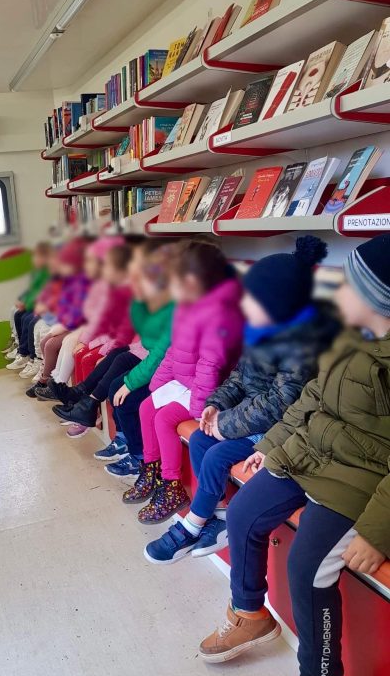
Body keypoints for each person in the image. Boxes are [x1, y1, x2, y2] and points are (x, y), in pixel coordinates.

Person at [198, 235, 390, 676]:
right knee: (242, 512)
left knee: (308, 565)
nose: (336, 289)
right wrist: (272, 448)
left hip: (360, 482)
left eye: (349, 282)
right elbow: (307, 400)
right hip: (307, 454)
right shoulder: (343, 336)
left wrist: (376, 532)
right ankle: (249, 613)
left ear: (378, 299)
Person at [144, 236, 338, 562]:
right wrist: (216, 404)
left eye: (252, 300)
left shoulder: (300, 347)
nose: (243, 305)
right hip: (245, 418)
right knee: (203, 441)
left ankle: (192, 524)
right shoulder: (259, 332)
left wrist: (227, 423)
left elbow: (281, 403)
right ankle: (216, 511)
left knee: (218, 454)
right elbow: (237, 377)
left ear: (278, 306)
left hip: (274, 431)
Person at [122, 239, 244, 524]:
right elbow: (173, 355)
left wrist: (199, 407)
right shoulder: (184, 309)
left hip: (207, 392)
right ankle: (151, 469)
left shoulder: (218, 315)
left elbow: (210, 367)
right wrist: (157, 387)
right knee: (145, 406)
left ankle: (172, 484)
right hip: (186, 383)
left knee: (164, 418)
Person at [102, 242, 175, 477]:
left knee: (127, 398)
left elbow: (161, 353)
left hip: (170, 371)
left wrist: (132, 383)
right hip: (161, 365)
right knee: (115, 386)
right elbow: (146, 338)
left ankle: (139, 458)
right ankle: (123, 439)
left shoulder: (173, 306)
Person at [44, 242, 135, 423]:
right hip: (108, 339)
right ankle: (78, 399)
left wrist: (97, 347)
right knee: (71, 347)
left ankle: (85, 406)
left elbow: (122, 330)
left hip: (115, 341)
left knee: (90, 355)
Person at [38, 236, 124, 385]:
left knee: (64, 343)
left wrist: (70, 328)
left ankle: (55, 382)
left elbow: (90, 315)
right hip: (84, 326)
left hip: (88, 328)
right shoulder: (91, 282)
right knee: (48, 339)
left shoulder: (104, 285)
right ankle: (52, 380)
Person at [31, 238, 90, 396]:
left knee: (51, 344)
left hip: (79, 325)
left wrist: (60, 327)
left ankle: (50, 383)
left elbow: (79, 313)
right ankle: (49, 380)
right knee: (45, 341)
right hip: (69, 323)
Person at [5, 240, 52, 369]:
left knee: (29, 321)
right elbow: (30, 291)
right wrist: (21, 300)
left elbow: (42, 295)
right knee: (17, 314)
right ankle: (20, 346)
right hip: (36, 306)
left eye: (37, 257)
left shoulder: (48, 274)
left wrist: (28, 304)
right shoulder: (37, 273)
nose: (34, 260)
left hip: (44, 309)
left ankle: (31, 356)